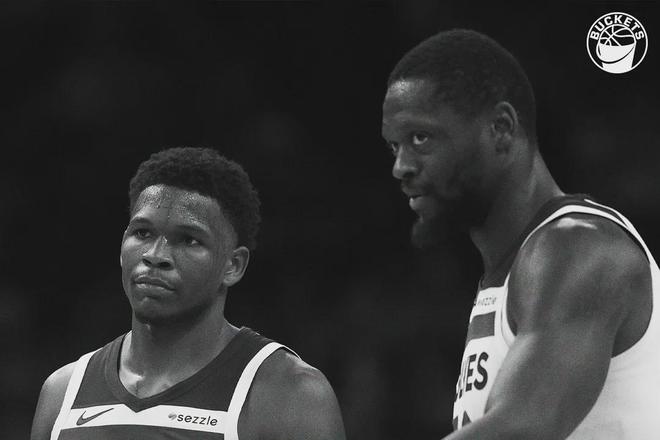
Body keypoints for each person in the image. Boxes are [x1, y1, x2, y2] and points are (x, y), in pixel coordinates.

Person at [381, 29, 660, 439]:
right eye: (394, 146)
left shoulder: (578, 246)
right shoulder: (514, 273)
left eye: (420, 138)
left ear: (501, 128)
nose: (400, 167)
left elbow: (521, 430)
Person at [31, 147, 346, 440]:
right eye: (142, 232)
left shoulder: (287, 394)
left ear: (233, 265)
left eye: (189, 240)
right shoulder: (63, 393)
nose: (156, 255)